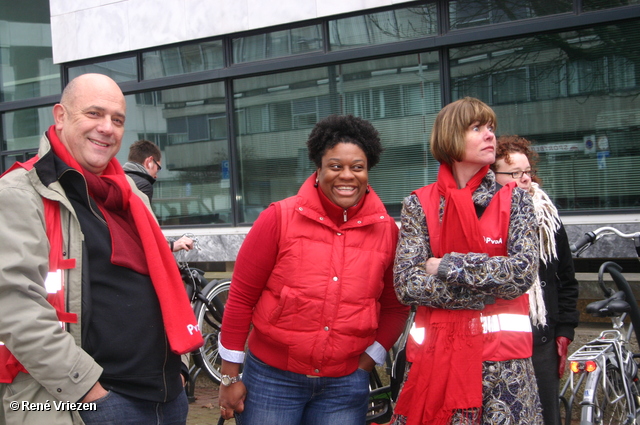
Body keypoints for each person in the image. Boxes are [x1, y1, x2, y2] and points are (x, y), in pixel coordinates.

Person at [0, 73, 203, 425]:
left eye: (117, 119)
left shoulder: (131, 195)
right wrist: (90, 393)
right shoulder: (20, 193)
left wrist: (180, 367)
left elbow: (162, 280)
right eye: (94, 114)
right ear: (60, 116)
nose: (107, 128)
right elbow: (15, 306)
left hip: (167, 396)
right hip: (94, 402)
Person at [217, 114, 409, 424]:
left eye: (357, 167)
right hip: (271, 381)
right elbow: (240, 297)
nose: (347, 175)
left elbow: (395, 307)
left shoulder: (388, 231)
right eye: (335, 166)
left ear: (368, 171)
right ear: (318, 170)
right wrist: (229, 376)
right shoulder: (278, 218)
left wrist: (368, 361)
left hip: (344, 385)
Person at [391, 97, 543, 425]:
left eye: (491, 128)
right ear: (450, 138)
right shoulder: (419, 204)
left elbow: (520, 273)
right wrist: (484, 292)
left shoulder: (515, 199)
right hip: (436, 365)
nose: (490, 135)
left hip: (503, 372)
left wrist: (447, 265)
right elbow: (406, 283)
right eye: (477, 128)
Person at [492, 135, 579, 425]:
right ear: (493, 176)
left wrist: (564, 329)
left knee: (547, 415)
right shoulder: (487, 218)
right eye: (514, 173)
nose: (524, 178)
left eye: (527, 171)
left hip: (542, 337)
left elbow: (566, 278)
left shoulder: (548, 216)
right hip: (502, 342)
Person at [124, 139, 193, 253]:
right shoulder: (143, 184)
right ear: (149, 161)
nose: (156, 175)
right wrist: (170, 245)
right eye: (158, 168)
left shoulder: (120, 179)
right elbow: (143, 226)